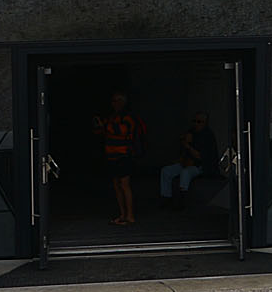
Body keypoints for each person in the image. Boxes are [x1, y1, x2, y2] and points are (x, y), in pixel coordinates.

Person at [93, 91, 146, 226]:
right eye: (113, 101)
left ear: (123, 102)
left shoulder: (128, 117)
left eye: (118, 100)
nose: (115, 103)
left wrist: (106, 126)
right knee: (117, 185)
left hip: (124, 155)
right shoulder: (112, 117)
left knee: (124, 184)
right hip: (112, 156)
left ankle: (130, 216)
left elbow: (123, 131)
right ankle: (123, 215)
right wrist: (99, 125)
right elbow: (100, 132)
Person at [159, 112, 220, 201]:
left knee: (185, 173)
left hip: (201, 166)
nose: (196, 124)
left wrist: (188, 146)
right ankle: (166, 198)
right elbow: (184, 152)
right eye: (194, 121)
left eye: (199, 122)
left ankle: (182, 199)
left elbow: (201, 157)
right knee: (166, 171)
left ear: (205, 123)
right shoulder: (191, 132)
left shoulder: (208, 136)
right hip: (186, 163)